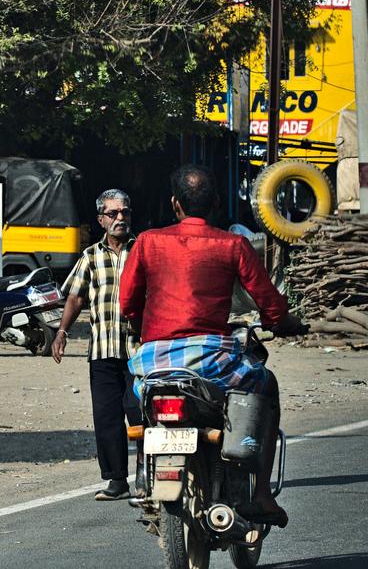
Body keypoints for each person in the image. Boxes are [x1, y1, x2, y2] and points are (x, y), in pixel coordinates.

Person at [119, 164, 302, 527]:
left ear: (175, 204)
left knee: (138, 399)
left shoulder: (148, 242)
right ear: (217, 202)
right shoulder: (233, 244)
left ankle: (145, 477)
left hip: (155, 362)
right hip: (212, 360)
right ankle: (261, 494)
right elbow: (270, 304)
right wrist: (285, 324)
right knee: (265, 383)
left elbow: (127, 304)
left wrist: (145, 329)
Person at [52, 188, 143, 500]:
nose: (121, 218)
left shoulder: (144, 250)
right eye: (113, 214)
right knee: (106, 418)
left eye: (125, 212)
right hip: (103, 350)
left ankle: (147, 475)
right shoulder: (90, 256)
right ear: (101, 219)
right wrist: (62, 332)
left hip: (139, 351)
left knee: (141, 412)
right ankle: (117, 480)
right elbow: (76, 297)